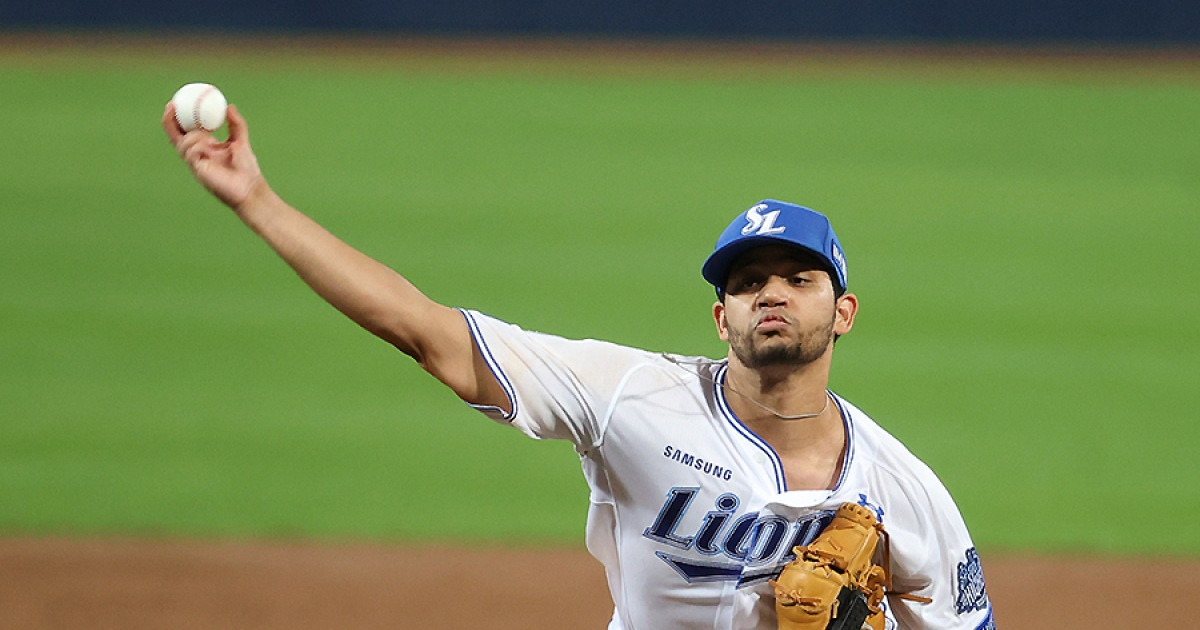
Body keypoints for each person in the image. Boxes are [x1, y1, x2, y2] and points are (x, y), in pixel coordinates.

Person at [163, 103, 995, 630]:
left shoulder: (904, 490)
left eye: (798, 278)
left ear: (842, 312)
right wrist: (257, 203)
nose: (770, 294)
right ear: (721, 316)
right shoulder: (633, 396)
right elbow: (427, 332)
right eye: (747, 283)